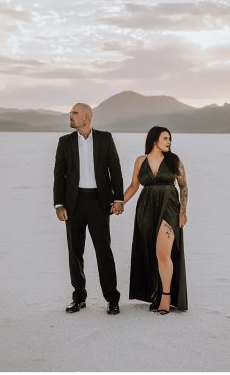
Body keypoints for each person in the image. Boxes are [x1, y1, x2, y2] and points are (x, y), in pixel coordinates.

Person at [53, 103, 125, 315]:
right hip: (73, 203)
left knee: (104, 250)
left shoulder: (105, 138)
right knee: (75, 251)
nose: (70, 116)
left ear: (86, 117)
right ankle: (79, 297)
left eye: (74, 113)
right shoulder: (64, 142)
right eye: (70, 113)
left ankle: (112, 299)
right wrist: (59, 204)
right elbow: (59, 175)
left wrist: (118, 198)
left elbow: (115, 169)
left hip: (99, 202)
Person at [123, 126, 189, 314]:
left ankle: (166, 296)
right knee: (149, 252)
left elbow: (183, 187)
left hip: (169, 208)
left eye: (170, 138)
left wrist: (182, 212)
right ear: (154, 140)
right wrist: (119, 202)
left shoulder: (174, 161)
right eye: (165, 138)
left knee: (163, 253)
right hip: (146, 209)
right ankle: (154, 292)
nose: (169, 141)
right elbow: (134, 186)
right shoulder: (140, 161)